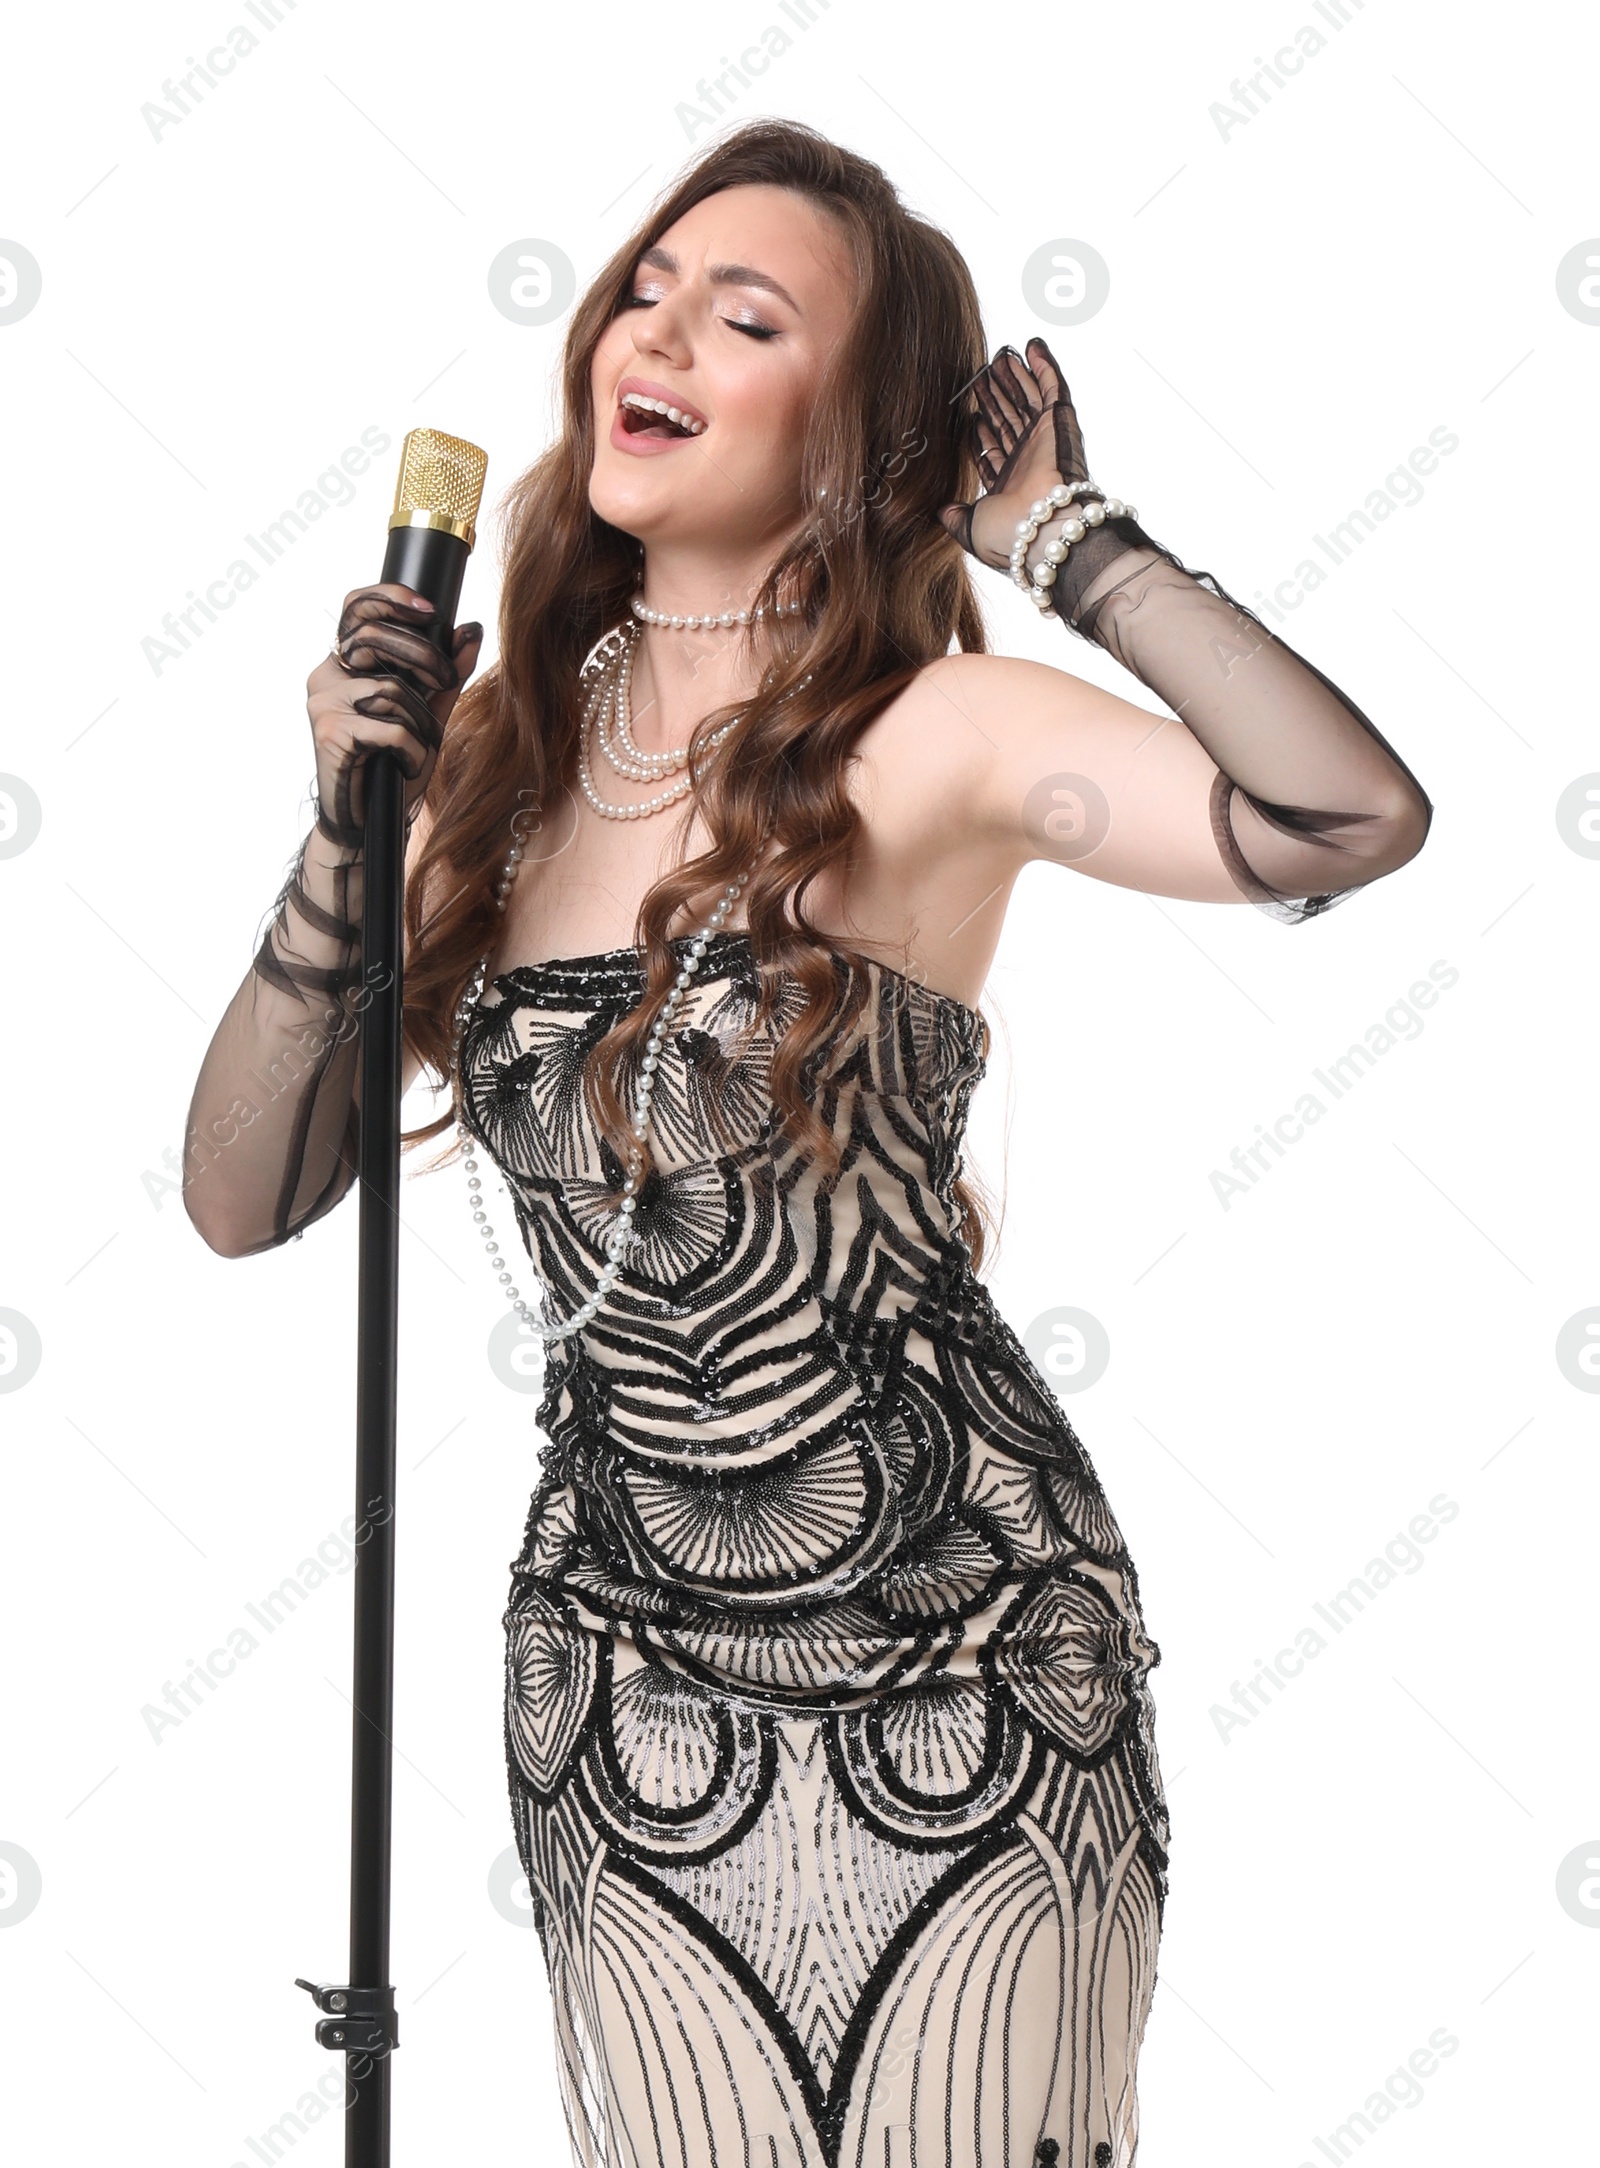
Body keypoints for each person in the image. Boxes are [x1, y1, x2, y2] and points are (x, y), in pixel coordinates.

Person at [182, 119, 1430, 2168]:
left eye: (745, 315)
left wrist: (1066, 540)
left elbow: (1339, 817)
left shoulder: (927, 734)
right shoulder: (495, 769)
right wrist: (347, 816)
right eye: (648, 285)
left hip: (960, 1651)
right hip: (623, 1685)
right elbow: (242, 1193)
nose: (654, 328)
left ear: (852, 439)